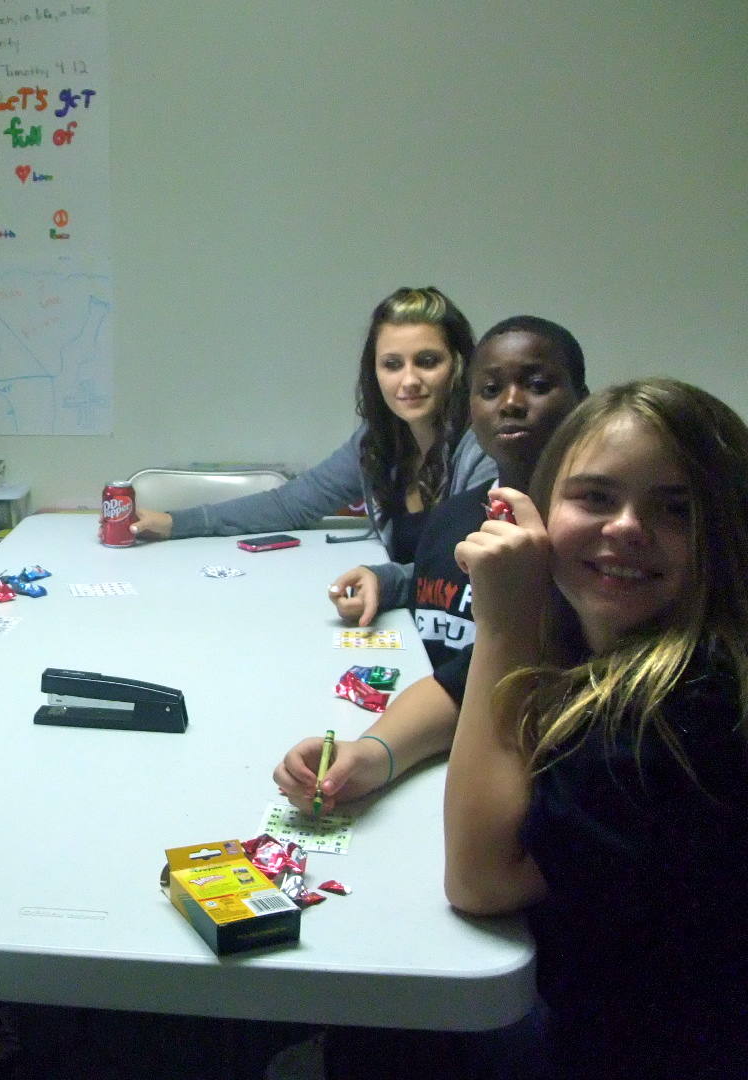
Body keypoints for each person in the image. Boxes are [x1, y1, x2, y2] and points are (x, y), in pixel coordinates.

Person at [445, 378, 748, 1078]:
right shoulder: (595, 625)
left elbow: (481, 880)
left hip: (640, 1045)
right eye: (595, 498)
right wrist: (377, 751)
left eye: (676, 508)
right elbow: (454, 693)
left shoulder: (690, 704)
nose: (627, 528)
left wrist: (502, 623)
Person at [274, 317, 587, 813]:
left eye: (537, 385)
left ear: (581, 400)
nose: (510, 402)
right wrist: (371, 755)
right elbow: (457, 681)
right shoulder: (452, 520)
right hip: (437, 759)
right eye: (490, 390)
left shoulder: (582, 549)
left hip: (534, 784)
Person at [131, 287, 494, 620]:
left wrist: (386, 582)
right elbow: (292, 504)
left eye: (427, 361)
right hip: (407, 617)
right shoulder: (380, 439)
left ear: (459, 366)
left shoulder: (484, 449)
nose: (409, 380)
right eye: (392, 364)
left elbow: (471, 568)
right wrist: (176, 523)